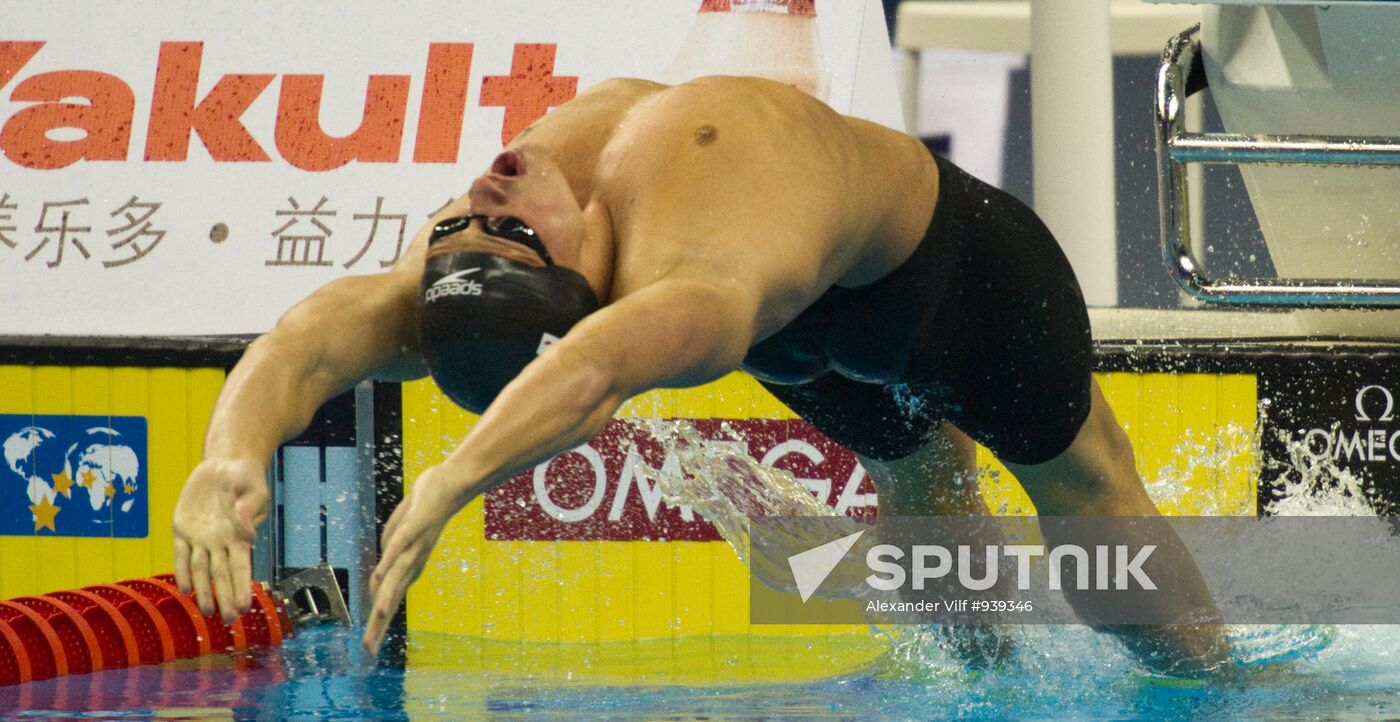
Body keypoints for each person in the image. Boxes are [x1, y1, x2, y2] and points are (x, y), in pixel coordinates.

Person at [171, 75, 1227, 673]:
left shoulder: (698, 256)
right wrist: (234, 454)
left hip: (955, 277)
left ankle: (1212, 687)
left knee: (1090, 498)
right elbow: (315, 341)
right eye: (490, 225)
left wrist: (448, 480)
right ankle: (994, 687)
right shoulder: (550, 270)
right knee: (920, 496)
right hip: (804, 333)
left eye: (477, 223)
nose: (487, 181)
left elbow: (586, 372)